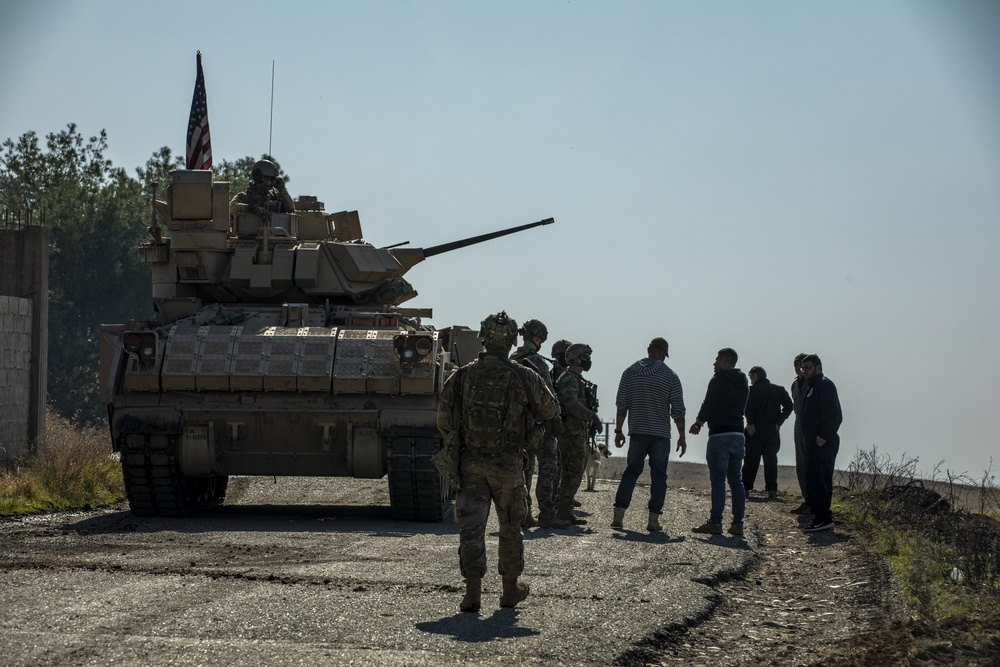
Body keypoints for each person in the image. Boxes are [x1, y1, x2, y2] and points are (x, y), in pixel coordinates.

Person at [437, 311, 558, 613]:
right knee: (510, 526)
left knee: (472, 529)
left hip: (471, 464)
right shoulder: (524, 375)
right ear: (513, 341)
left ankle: (472, 594)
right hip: (508, 465)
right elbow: (551, 410)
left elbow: (443, 419)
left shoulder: (463, 375)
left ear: (482, 338)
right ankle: (509, 590)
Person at [611, 337, 686, 532]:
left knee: (631, 471)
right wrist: (682, 436)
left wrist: (619, 431)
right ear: (663, 353)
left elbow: (622, 405)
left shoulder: (629, 372)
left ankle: (619, 515)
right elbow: (678, 410)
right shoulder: (671, 376)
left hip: (637, 432)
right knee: (659, 475)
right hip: (660, 434)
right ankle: (653, 520)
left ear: (648, 350)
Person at [511, 319, 570, 530]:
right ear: (536, 338)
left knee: (524, 469)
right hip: (540, 425)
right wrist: (556, 418)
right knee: (548, 469)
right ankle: (547, 514)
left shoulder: (512, 359)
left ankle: (524, 514)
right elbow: (548, 396)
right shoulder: (538, 363)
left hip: (517, 425)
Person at [689, 348, 749, 536]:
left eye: (716, 360)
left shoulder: (718, 379)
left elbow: (709, 403)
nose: (713, 363)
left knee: (718, 481)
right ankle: (737, 524)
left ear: (724, 360)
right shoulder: (744, 381)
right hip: (738, 434)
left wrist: (698, 423)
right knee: (736, 481)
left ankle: (716, 522)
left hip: (719, 436)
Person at [555, 343, 601, 525]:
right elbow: (571, 403)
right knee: (572, 472)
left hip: (577, 432)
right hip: (570, 434)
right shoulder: (569, 380)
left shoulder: (576, 379)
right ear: (575, 358)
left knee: (573, 472)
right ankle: (563, 510)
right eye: (584, 356)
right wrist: (592, 417)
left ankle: (563, 507)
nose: (588, 360)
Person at [799, 354, 843, 532]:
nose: (805, 371)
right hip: (812, 440)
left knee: (820, 480)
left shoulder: (824, 384)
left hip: (823, 441)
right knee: (812, 479)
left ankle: (824, 518)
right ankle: (819, 517)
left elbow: (834, 414)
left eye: (808, 367)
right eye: (803, 368)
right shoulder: (811, 387)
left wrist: (824, 435)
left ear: (819, 367)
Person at [743, 366, 793, 499]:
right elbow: (789, 405)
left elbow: (748, 407)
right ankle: (772, 490)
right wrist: (779, 422)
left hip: (755, 430)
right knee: (771, 460)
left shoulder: (751, 390)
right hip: (772, 430)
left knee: (750, 460)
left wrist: (750, 423)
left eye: (751, 377)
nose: (751, 381)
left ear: (757, 376)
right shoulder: (779, 389)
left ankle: (745, 489)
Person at [229, 158, 295, 222]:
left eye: (274, 179)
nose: (273, 182)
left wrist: (282, 189)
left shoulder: (275, 196)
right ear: (259, 177)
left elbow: (291, 210)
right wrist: (252, 208)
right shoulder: (246, 196)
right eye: (270, 179)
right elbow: (232, 207)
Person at [789, 353, 811, 514]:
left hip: (811, 425)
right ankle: (807, 498)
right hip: (799, 424)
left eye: (801, 366)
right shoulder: (795, 385)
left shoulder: (814, 383)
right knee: (801, 464)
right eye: (796, 366)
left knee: (813, 463)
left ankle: (817, 501)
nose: (798, 369)